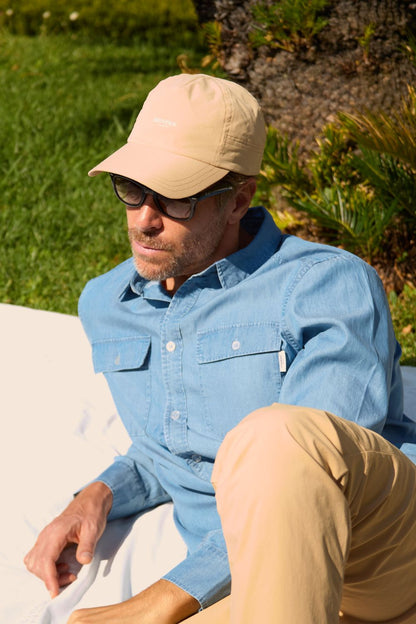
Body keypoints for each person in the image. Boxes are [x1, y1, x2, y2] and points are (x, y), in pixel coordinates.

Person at [24, 73, 416, 624]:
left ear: (239, 200)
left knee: (277, 435)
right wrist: (98, 494)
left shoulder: (326, 285)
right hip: (255, 588)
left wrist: (159, 601)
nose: (143, 219)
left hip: (377, 559)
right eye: (132, 188)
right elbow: (173, 447)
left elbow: (309, 472)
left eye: (175, 198)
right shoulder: (110, 304)